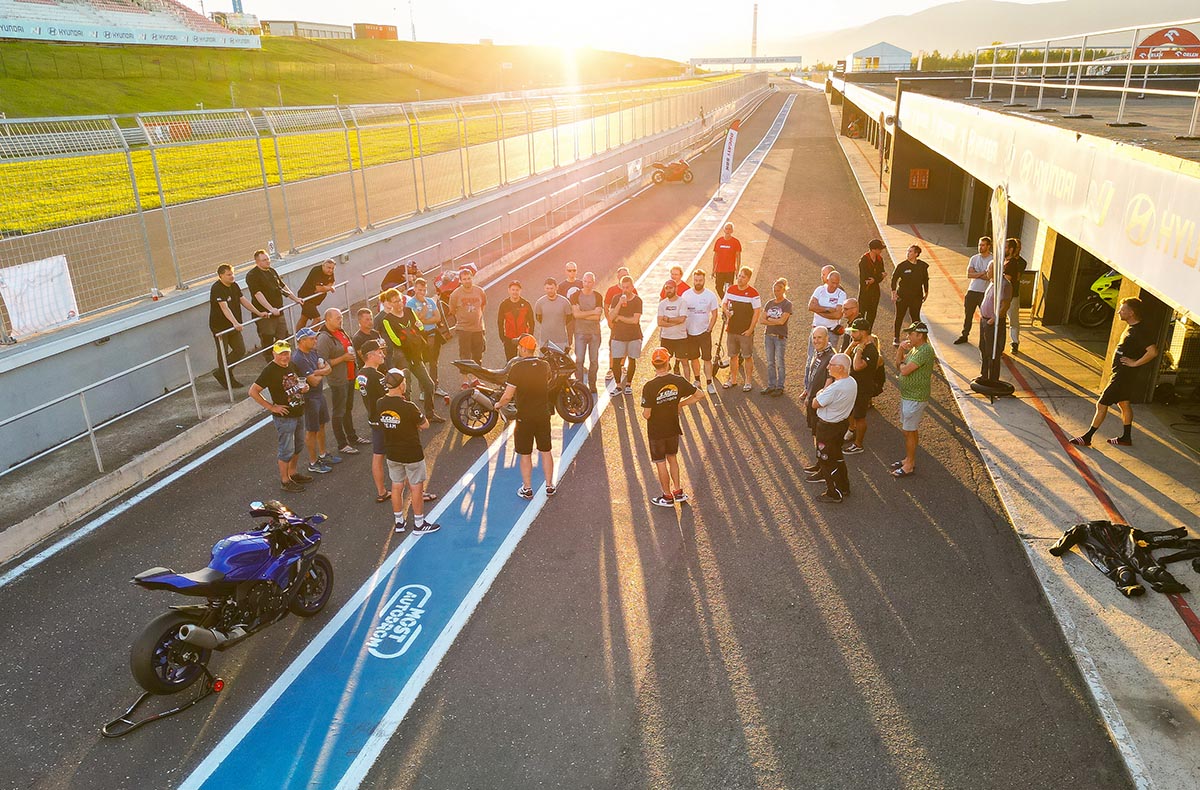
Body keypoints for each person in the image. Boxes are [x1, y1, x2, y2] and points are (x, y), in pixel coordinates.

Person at [1070, 297, 1158, 448]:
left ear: (1131, 312)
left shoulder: (1140, 331)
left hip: (1122, 376)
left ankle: (1087, 437)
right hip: (1121, 374)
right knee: (1123, 403)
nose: (1118, 312)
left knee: (1101, 404)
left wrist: (1135, 363)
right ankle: (1126, 438)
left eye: (1122, 310)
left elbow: (1153, 352)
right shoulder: (1131, 327)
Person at [376, 369, 441, 535]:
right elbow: (425, 424)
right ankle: (419, 524)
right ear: (401, 385)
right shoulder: (409, 406)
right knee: (416, 487)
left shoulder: (380, 403)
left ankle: (399, 522)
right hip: (412, 453)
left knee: (396, 486)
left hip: (392, 453)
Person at [641, 347, 705, 507]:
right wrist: (680, 404)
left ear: (653, 364)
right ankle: (678, 491)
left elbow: (647, 414)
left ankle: (667, 496)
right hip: (673, 427)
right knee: (673, 459)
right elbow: (699, 395)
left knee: (660, 462)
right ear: (668, 362)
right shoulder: (678, 380)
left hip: (656, 431)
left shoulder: (649, 386)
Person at [495, 334, 556, 498]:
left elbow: (507, 396)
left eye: (519, 346)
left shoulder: (517, 368)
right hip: (543, 415)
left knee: (525, 453)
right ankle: (549, 486)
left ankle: (527, 488)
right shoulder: (544, 365)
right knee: (546, 451)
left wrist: (498, 405)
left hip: (525, 417)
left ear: (522, 349)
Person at [249, 340, 311, 493]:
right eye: (281, 354)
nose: (284, 357)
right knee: (286, 449)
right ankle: (285, 480)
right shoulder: (270, 370)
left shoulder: (292, 365)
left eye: (286, 353)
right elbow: (253, 391)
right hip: (285, 417)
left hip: (298, 411)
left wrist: (305, 388)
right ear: (274, 354)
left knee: (298, 445)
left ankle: (293, 473)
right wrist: (271, 407)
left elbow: (299, 383)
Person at [377, 288, 446, 423]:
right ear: (389, 303)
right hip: (402, 356)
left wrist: (414, 333)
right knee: (406, 389)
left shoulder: (409, 311)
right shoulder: (387, 320)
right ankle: (408, 420)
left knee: (429, 385)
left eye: (400, 300)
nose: (399, 304)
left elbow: (420, 328)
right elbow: (395, 340)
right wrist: (410, 335)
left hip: (415, 354)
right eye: (395, 302)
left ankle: (430, 414)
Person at [316, 307, 365, 456]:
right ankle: (342, 444)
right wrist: (342, 358)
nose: (341, 320)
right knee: (339, 412)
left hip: (349, 377)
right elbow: (322, 362)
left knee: (348, 409)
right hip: (338, 380)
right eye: (337, 318)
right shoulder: (324, 338)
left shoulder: (341, 331)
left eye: (341, 317)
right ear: (328, 320)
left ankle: (352, 437)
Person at [808, 353, 857, 503]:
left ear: (841, 368)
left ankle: (833, 492)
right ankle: (844, 486)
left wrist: (820, 392)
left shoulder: (835, 388)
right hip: (841, 425)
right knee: (837, 456)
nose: (828, 367)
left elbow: (815, 403)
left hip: (827, 428)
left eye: (831, 364)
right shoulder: (852, 382)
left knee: (826, 460)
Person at [209, 263, 264, 388]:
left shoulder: (234, 285)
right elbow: (224, 307)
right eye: (228, 275)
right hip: (220, 327)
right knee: (222, 352)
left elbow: (243, 300)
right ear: (221, 276)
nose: (232, 276)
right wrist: (235, 323)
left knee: (240, 350)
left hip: (234, 325)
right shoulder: (217, 288)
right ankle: (226, 376)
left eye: (232, 274)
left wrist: (258, 312)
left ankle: (222, 372)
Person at [292, 327, 338, 474]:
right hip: (310, 398)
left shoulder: (312, 352)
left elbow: (328, 368)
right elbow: (313, 381)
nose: (315, 341)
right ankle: (313, 462)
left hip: (318, 395)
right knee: (312, 430)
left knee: (321, 425)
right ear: (302, 341)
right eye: (312, 339)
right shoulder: (298, 358)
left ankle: (323, 454)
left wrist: (317, 372)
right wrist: (321, 372)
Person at [893, 321, 936, 477]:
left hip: (915, 397)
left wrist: (902, 366)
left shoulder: (925, 350)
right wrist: (900, 350)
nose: (908, 336)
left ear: (920, 335)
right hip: (908, 396)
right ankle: (908, 459)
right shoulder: (915, 349)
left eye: (911, 334)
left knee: (909, 431)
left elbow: (904, 370)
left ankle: (909, 464)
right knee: (909, 430)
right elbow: (898, 364)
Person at [246, 248, 304, 359]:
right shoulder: (252, 275)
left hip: (279, 311)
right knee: (268, 340)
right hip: (266, 315)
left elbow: (282, 286)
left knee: (283, 339)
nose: (267, 261)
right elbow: (257, 294)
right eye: (264, 260)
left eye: (268, 259)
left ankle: (285, 361)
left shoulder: (271, 271)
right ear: (257, 262)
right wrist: (270, 308)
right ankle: (271, 363)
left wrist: (295, 298)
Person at [356, 339, 392, 503]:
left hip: (373, 420)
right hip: (387, 420)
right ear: (370, 355)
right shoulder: (377, 376)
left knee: (378, 456)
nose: (383, 355)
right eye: (379, 352)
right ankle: (416, 491)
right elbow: (390, 397)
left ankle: (381, 491)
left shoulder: (360, 374)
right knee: (402, 457)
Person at [844, 317, 882, 455]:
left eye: (854, 331)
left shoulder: (870, 350)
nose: (852, 334)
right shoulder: (856, 344)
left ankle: (858, 444)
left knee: (860, 417)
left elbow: (857, 366)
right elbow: (843, 358)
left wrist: (859, 350)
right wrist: (851, 347)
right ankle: (851, 430)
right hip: (852, 386)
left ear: (863, 332)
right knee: (850, 411)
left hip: (863, 388)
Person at [680, 268, 721, 394]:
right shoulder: (686, 295)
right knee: (694, 358)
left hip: (704, 333)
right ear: (693, 280)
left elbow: (715, 314)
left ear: (704, 280)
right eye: (696, 280)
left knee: (707, 359)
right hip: (690, 333)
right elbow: (682, 312)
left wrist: (709, 329)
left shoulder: (710, 295)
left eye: (700, 280)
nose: (698, 282)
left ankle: (709, 382)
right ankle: (697, 380)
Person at [721, 266, 761, 392]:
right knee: (732, 356)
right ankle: (733, 379)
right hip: (731, 329)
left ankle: (748, 382)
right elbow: (723, 303)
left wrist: (750, 329)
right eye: (739, 276)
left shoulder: (754, 293)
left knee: (747, 356)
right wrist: (726, 311)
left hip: (745, 331)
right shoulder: (731, 289)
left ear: (748, 279)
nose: (740, 279)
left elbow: (757, 312)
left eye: (743, 277)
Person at [800, 326, 834, 470]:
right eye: (814, 338)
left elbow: (829, 383)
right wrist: (808, 393)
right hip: (813, 400)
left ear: (827, 338)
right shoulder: (818, 353)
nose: (816, 340)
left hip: (820, 404)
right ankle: (820, 464)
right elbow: (812, 376)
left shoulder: (831, 357)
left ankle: (824, 469)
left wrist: (818, 400)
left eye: (820, 337)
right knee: (816, 435)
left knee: (822, 438)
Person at [407, 278, 448, 397]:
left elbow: (438, 317)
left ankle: (436, 386)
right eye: (420, 290)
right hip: (420, 337)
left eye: (424, 290)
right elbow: (415, 320)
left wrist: (424, 320)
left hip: (433, 335)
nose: (422, 292)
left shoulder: (430, 301)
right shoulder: (410, 304)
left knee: (434, 362)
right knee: (422, 364)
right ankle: (423, 390)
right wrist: (424, 310)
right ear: (415, 289)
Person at [447, 265, 487, 385]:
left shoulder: (480, 291)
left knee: (477, 355)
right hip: (464, 329)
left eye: (468, 278)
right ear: (460, 280)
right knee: (465, 355)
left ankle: (475, 379)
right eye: (464, 279)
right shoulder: (455, 294)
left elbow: (483, 305)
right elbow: (452, 310)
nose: (467, 281)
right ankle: (464, 381)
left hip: (478, 328)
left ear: (472, 278)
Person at [978, 261, 1013, 385]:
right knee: (983, 348)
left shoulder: (1004, 285)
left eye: (989, 269)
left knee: (992, 351)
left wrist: (993, 319)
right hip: (984, 320)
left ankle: (992, 378)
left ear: (996, 270)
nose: (987, 271)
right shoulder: (992, 283)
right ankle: (984, 375)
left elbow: (1005, 305)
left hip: (993, 323)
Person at [608, 275, 644, 396]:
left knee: (632, 359)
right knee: (616, 361)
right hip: (618, 335)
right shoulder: (616, 298)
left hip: (634, 335)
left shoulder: (637, 300)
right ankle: (618, 385)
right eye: (623, 287)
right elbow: (611, 317)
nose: (625, 290)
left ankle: (628, 384)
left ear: (632, 287)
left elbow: (635, 320)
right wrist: (619, 303)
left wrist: (620, 318)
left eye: (627, 287)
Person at [955, 236, 993, 344]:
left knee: (985, 316)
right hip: (972, 290)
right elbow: (969, 274)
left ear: (988, 246)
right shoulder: (974, 258)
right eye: (979, 245)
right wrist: (983, 273)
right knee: (968, 315)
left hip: (985, 292)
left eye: (983, 245)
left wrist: (977, 273)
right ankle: (964, 335)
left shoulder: (992, 260)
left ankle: (986, 338)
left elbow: (989, 277)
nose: (980, 247)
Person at [570, 271, 604, 393]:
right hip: (580, 332)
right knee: (579, 360)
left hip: (595, 332)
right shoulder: (575, 296)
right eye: (585, 281)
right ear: (582, 281)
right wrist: (592, 312)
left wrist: (582, 314)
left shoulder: (598, 296)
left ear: (593, 283)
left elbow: (597, 317)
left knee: (594, 360)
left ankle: (592, 383)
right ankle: (580, 385)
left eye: (589, 282)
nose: (587, 284)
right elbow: (576, 315)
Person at [890, 245, 930, 347]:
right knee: (899, 316)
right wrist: (894, 292)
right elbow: (894, 278)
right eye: (908, 251)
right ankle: (896, 337)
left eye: (910, 251)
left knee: (915, 318)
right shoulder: (902, 266)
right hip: (902, 296)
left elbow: (925, 279)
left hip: (916, 297)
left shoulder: (922, 266)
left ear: (916, 254)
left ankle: (917, 338)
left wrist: (926, 292)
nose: (908, 253)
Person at [604, 266, 636, 384]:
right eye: (621, 275)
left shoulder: (632, 290)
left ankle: (622, 365)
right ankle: (611, 367)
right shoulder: (612, 290)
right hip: (616, 324)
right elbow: (606, 306)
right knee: (613, 346)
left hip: (628, 326)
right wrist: (609, 320)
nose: (623, 277)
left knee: (626, 346)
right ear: (617, 276)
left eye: (626, 275)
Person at [761, 277, 792, 395]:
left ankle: (780, 386)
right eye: (774, 290)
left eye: (778, 290)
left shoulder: (787, 304)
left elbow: (782, 321)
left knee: (780, 362)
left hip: (780, 336)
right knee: (770, 362)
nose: (776, 293)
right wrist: (775, 321)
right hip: (768, 335)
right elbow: (761, 320)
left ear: (783, 290)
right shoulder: (769, 303)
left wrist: (769, 319)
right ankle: (771, 385)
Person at [808, 268, 846, 360]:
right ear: (827, 280)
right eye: (833, 282)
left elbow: (838, 315)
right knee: (811, 358)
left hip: (831, 333)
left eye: (837, 283)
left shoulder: (841, 294)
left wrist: (818, 310)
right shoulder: (819, 290)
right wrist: (828, 309)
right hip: (816, 330)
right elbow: (810, 307)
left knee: (829, 360)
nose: (835, 285)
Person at [295, 258, 336, 332]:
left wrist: (325, 288)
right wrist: (329, 288)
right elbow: (319, 288)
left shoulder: (330, 272)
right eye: (328, 268)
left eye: (332, 268)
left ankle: (298, 336)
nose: (330, 270)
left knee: (304, 317)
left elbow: (331, 282)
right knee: (317, 319)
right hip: (306, 298)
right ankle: (310, 336)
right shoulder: (316, 271)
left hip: (315, 299)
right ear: (323, 266)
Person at [497, 280, 534, 360]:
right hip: (509, 338)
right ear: (509, 290)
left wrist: (529, 336)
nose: (515, 292)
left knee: (524, 361)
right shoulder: (504, 304)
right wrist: (503, 338)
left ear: (520, 291)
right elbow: (500, 322)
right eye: (513, 290)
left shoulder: (526, 304)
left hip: (523, 338)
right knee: (511, 361)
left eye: (517, 290)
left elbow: (531, 322)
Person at [1002, 237, 1028, 354]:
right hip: (1003, 294)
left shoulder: (1020, 262)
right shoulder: (1005, 259)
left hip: (1013, 294)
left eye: (1018, 247)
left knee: (1013, 320)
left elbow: (1016, 277)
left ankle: (1014, 342)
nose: (1018, 249)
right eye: (1016, 247)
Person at [657, 278, 689, 371]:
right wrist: (675, 322)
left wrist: (668, 319)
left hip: (680, 337)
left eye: (670, 288)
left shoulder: (682, 302)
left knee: (685, 362)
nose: (668, 290)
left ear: (676, 288)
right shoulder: (662, 304)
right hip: (666, 337)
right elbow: (659, 322)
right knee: (663, 362)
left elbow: (682, 319)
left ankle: (686, 380)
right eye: (666, 288)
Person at [534, 276, 571, 350]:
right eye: (547, 288)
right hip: (545, 340)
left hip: (560, 339)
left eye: (551, 288)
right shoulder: (540, 302)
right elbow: (538, 318)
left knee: (561, 357)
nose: (549, 291)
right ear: (544, 288)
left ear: (556, 288)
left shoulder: (565, 302)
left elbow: (569, 318)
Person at [858, 239, 887, 330]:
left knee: (872, 313)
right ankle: (859, 332)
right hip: (865, 291)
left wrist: (875, 279)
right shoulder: (864, 260)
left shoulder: (879, 259)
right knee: (861, 313)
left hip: (875, 291)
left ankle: (868, 332)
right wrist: (878, 277)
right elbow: (864, 277)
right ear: (873, 249)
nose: (881, 250)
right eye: (879, 249)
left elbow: (881, 274)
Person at [711, 223, 742, 299]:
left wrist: (737, 270)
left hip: (730, 270)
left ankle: (727, 303)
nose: (728, 230)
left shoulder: (736, 242)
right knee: (718, 287)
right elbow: (715, 256)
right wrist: (713, 269)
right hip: (719, 270)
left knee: (729, 289)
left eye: (729, 229)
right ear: (724, 230)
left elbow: (738, 257)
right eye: (726, 229)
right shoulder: (719, 241)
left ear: (732, 231)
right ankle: (724, 301)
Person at [561, 262, 582, 351]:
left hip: (580, 317)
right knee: (567, 341)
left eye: (574, 270)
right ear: (566, 271)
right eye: (569, 270)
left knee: (580, 340)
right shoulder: (561, 286)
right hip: (568, 318)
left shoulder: (581, 283)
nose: (572, 272)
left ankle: (579, 358)